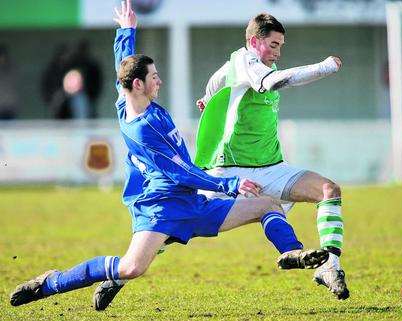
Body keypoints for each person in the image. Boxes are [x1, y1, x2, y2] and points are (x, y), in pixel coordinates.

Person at [10, 0, 329, 310]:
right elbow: (182, 173)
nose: (159, 80)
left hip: (192, 202)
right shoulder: (145, 130)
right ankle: (52, 282)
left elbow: (124, 62)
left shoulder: (128, 101)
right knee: (130, 268)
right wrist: (232, 185)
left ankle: (293, 253)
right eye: (154, 77)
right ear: (139, 84)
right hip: (161, 208)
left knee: (268, 204)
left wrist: (126, 31)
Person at [194, 13, 349, 300]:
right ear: (254, 42)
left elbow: (215, 87)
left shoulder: (247, 67)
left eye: (281, 46)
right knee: (180, 222)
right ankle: (124, 271)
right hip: (230, 173)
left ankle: (330, 267)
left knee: (329, 190)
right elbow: (275, 82)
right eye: (273, 45)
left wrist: (208, 99)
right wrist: (325, 67)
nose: (277, 52)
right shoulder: (244, 62)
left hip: (272, 168)